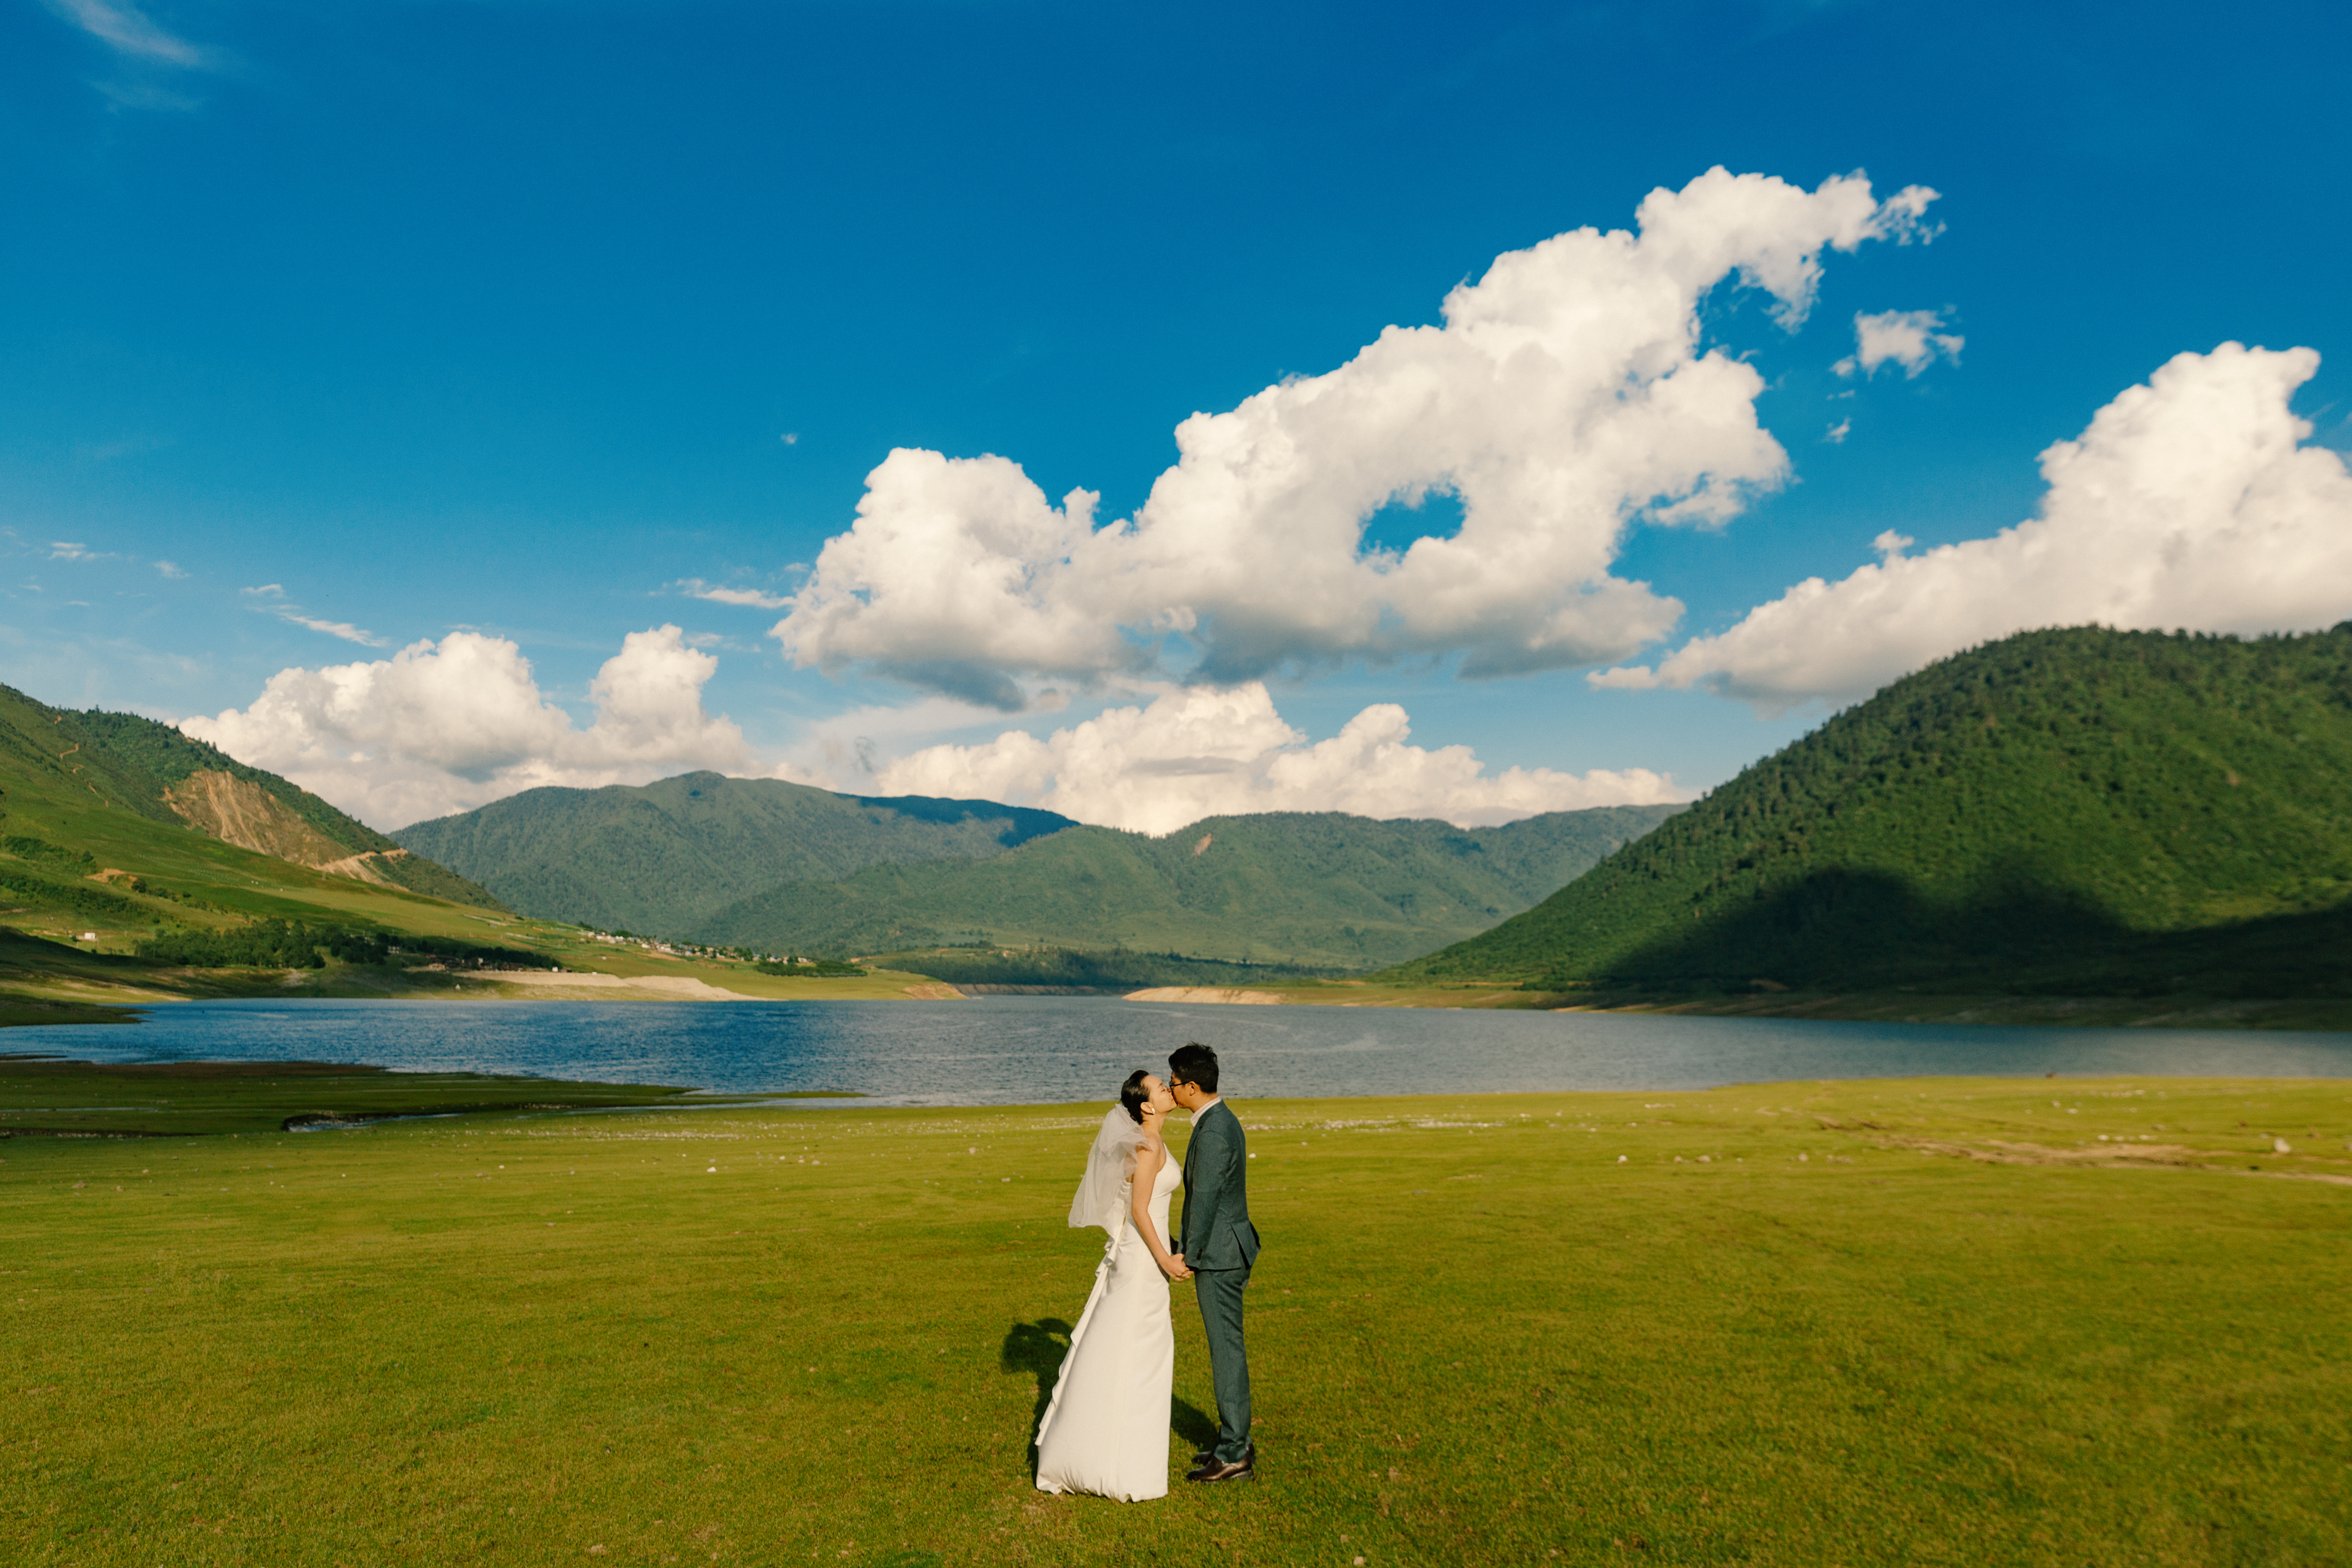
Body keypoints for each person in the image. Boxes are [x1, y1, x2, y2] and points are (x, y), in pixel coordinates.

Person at [1033, 1070, 1192, 1501]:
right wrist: (1166, 1259)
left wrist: (1171, 1246)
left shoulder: (1152, 1142)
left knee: (1133, 1350)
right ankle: (1113, 1463)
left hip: (1142, 1255)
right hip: (1143, 1262)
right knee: (1136, 1350)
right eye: (1161, 1087)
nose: (1168, 1089)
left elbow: (1148, 1209)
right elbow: (1140, 1209)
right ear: (1146, 1105)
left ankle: (1115, 1454)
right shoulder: (1148, 1145)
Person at [1169, 1041, 1260, 1483]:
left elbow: (1204, 1197)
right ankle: (1233, 1439)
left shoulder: (1215, 1129)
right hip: (1227, 1247)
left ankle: (1233, 1454)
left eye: (1173, 1083)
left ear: (1191, 1085)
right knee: (1227, 1347)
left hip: (1221, 1255)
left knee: (1225, 1351)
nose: (1170, 1090)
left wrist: (1189, 1252)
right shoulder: (1218, 1119)